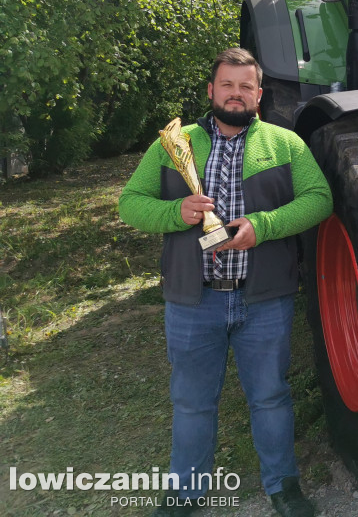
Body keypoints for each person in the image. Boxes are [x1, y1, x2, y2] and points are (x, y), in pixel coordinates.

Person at [119, 48, 333, 517]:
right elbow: (130, 203)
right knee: (192, 403)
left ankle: (284, 488)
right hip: (194, 302)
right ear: (212, 90)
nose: (235, 94)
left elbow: (319, 199)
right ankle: (186, 493)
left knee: (271, 398)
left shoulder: (285, 144)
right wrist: (176, 212)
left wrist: (266, 226)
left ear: (259, 95)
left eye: (245, 87)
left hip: (263, 300)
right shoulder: (174, 143)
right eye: (227, 85)